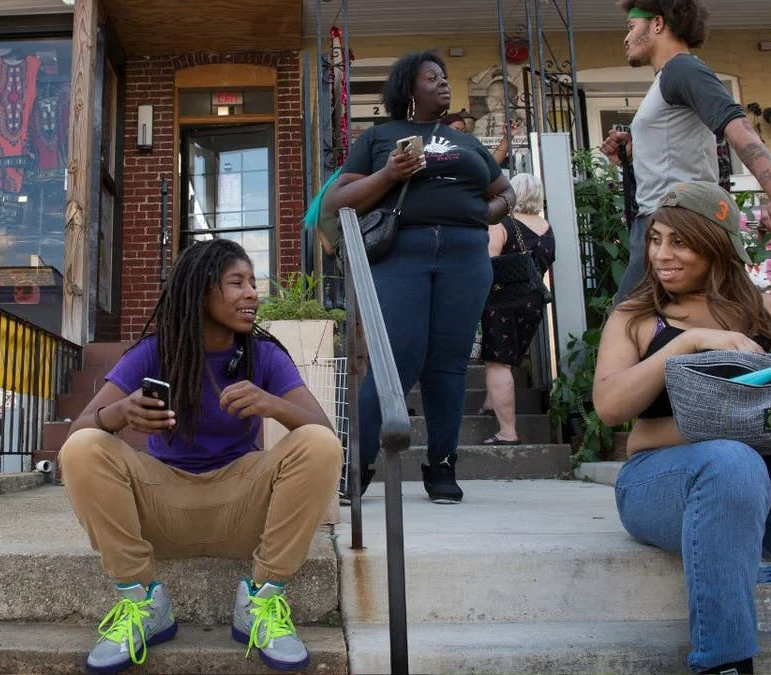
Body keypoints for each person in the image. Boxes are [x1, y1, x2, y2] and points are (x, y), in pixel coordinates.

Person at [593, 181, 771, 674]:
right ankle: (724, 662)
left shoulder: (765, 309)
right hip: (666, 488)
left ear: (717, 247)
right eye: (656, 239)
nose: (661, 255)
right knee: (730, 461)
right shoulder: (637, 316)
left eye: (680, 242)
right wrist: (686, 343)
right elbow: (612, 410)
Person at [59, 238, 341, 674]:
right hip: (162, 509)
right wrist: (119, 413)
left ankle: (262, 603)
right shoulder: (153, 353)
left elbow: (321, 430)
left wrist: (272, 404)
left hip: (243, 510)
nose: (252, 293)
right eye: (237, 282)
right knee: (83, 447)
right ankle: (143, 603)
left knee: (319, 443)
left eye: (253, 282)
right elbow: (77, 433)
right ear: (201, 291)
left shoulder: (264, 355)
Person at [324, 51, 515, 504]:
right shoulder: (380, 138)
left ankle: (443, 465)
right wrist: (390, 172)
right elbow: (340, 199)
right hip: (401, 252)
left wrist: (481, 213)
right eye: (433, 77)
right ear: (409, 88)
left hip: (465, 255)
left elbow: (504, 190)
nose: (445, 83)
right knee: (400, 357)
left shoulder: (465, 143)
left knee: (448, 362)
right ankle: (360, 461)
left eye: (445, 76)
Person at [601, 0, 771, 305]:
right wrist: (631, 150)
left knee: (627, 326)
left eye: (631, 27)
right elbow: (675, 145)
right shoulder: (667, 80)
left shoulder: (682, 68)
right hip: (664, 224)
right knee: (676, 328)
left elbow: (740, 128)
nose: (625, 38)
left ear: (657, 24)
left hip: (677, 224)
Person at [479, 173, 555, 444]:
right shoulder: (546, 227)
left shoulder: (502, 223)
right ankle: (491, 401)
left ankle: (507, 432)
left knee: (498, 364)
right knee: (509, 359)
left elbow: (488, 263)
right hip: (533, 302)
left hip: (502, 301)